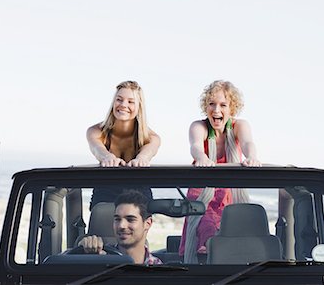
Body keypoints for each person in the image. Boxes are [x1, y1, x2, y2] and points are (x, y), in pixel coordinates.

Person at [179, 80, 261, 263]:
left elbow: (248, 143)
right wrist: (202, 158)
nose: (216, 110)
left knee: (231, 232)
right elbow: (195, 145)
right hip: (201, 193)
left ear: (232, 108)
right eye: (211, 104)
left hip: (228, 194)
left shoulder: (240, 126)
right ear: (205, 106)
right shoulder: (198, 126)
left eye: (223, 105)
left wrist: (251, 157)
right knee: (205, 227)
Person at [87, 81, 160, 207]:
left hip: (139, 194)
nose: (123, 105)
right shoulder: (95, 131)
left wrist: (141, 159)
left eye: (130, 102)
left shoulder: (152, 138)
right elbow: (97, 148)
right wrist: (107, 157)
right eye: (119, 100)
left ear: (139, 107)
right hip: (105, 192)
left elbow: (148, 152)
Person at [78, 190, 162, 265]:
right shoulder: (100, 260)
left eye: (130, 219)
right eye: (117, 219)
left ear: (147, 223)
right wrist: (81, 251)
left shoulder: (160, 272)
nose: (121, 225)